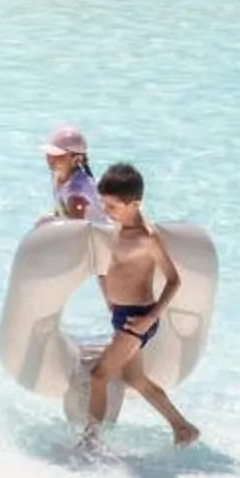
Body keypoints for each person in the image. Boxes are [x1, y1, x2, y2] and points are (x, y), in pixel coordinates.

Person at [83, 163, 200, 451]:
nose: (107, 211)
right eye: (103, 204)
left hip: (138, 318)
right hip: (121, 316)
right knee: (135, 378)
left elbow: (174, 280)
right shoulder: (116, 231)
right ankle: (182, 427)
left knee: (99, 375)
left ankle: (90, 442)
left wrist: (149, 318)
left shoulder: (148, 239)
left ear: (134, 204)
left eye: (112, 206)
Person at [42, 126, 105, 224]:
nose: (50, 158)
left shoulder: (76, 191)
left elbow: (76, 228)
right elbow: (62, 207)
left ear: (76, 159)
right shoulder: (58, 176)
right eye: (49, 153)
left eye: (57, 154)